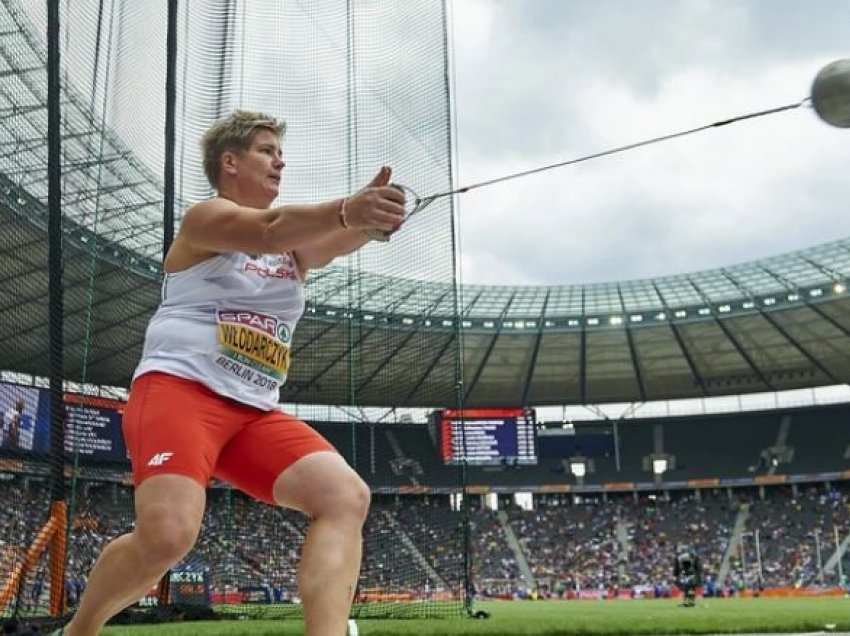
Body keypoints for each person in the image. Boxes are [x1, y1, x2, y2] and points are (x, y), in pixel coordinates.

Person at [59, 109, 405, 636]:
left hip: (252, 411)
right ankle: (78, 632)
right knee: (168, 535)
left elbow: (332, 236)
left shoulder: (294, 252)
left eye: (279, 152)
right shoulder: (205, 219)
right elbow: (270, 228)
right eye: (267, 150)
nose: (279, 160)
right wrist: (347, 209)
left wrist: (371, 218)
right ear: (230, 161)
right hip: (179, 391)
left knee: (345, 496)